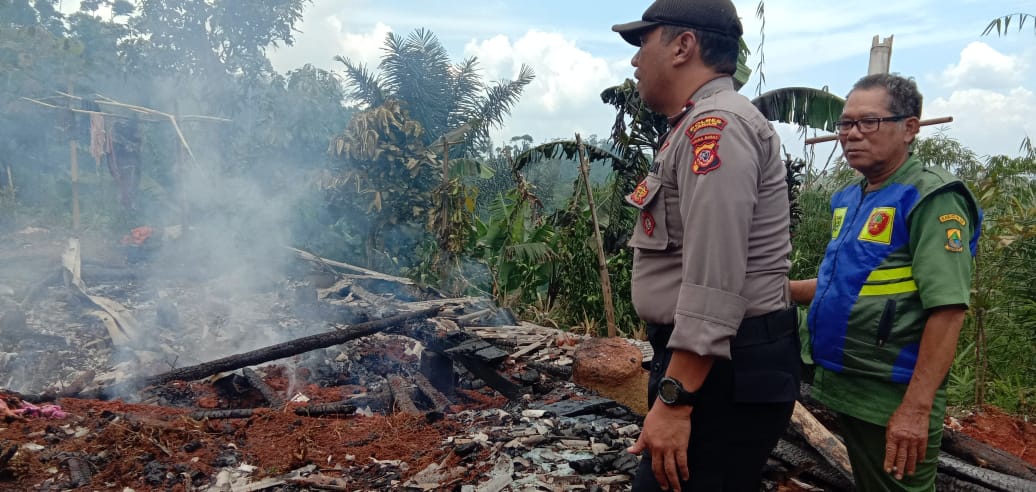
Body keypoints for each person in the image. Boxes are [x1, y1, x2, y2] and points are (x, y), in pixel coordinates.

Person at [612, 1, 801, 490]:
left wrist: (675, 402)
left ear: (683, 46)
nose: (635, 61)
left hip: (720, 372)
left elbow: (715, 281)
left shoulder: (716, 128)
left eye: (643, 42)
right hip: (714, 367)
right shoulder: (697, 124)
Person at [790, 73, 981, 491]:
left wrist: (915, 407)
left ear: (910, 127)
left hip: (891, 390)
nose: (851, 134)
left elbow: (947, 309)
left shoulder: (930, 197)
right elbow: (841, 286)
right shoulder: (852, 197)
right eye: (845, 124)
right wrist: (777, 288)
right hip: (846, 379)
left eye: (868, 122)